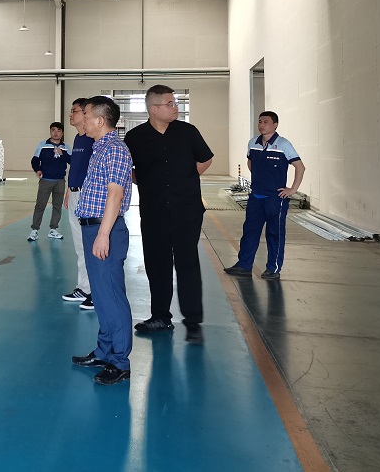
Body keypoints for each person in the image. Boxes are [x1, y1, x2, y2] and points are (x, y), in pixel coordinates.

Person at [124, 85, 213, 345]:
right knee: (157, 263)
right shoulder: (135, 137)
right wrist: (148, 183)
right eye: (170, 103)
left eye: (175, 103)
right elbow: (128, 169)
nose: (176, 107)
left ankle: (193, 322)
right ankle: (160, 317)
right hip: (154, 211)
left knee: (187, 262)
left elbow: (205, 159)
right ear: (154, 109)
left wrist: (183, 179)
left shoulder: (187, 132)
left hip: (187, 209)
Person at [70, 96, 134, 386]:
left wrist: (103, 234)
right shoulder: (99, 148)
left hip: (104, 229)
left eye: (85, 115)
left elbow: (115, 195)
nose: (82, 119)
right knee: (102, 296)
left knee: (111, 297)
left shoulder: (115, 150)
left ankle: (120, 362)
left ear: (99, 120)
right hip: (93, 228)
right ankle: (104, 351)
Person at [226, 111, 306, 280]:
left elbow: (300, 167)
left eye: (266, 122)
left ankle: (273, 268)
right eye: (260, 122)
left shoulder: (283, 144)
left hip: (275, 199)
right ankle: (244, 265)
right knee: (250, 231)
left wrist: (292, 189)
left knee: (274, 233)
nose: (262, 125)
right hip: (256, 197)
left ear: (275, 125)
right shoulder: (252, 143)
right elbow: (250, 163)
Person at [62, 98, 95, 310]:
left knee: (90, 245)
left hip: (87, 195)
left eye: (74, 111)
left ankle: (94, 291)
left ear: (85, 114)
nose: (71, 115)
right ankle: (83, 287)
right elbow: (76, 167)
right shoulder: (77, 138)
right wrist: (69, 189)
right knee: (79, 245)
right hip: (74, 194)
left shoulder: (93, 139)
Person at [28, 122, 70, 241]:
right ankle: (34, 230)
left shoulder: (66, 147)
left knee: (57, 206)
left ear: (62, 133)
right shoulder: (43, 145)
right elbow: (35, 160)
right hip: (45, 180)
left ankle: (53, 229)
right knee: (40, 205)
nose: (55, 133)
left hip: (60, 181)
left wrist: (63, 154)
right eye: (53, 130)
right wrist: (37, 169)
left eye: (58, 130)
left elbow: (72, 160)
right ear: (50, 131)